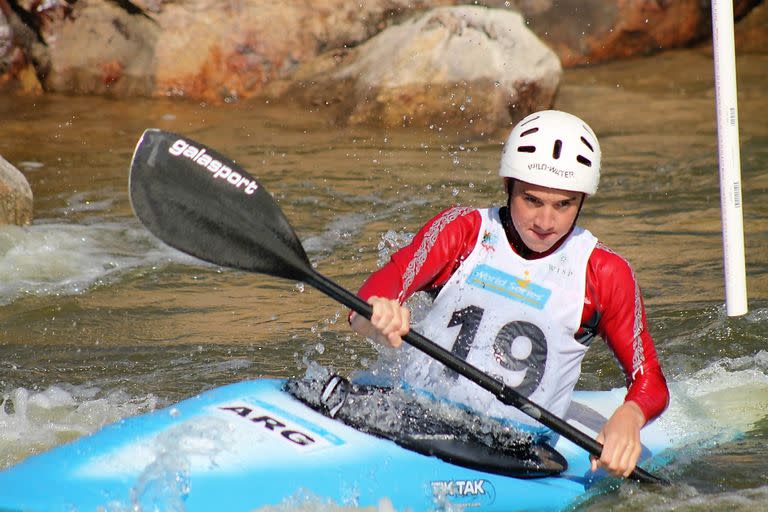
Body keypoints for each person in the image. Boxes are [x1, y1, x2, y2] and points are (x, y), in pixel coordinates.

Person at [349, 110, 669, 478]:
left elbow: (650, 380)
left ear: (582, 199)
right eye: (532, 200)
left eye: (563, 204)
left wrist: (630, 416)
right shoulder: (462, 231)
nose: (545, 222)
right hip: (410, 412)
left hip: (512, 449)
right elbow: (373, 294)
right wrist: (375, 316)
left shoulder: (605, 274)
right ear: (508, 185)